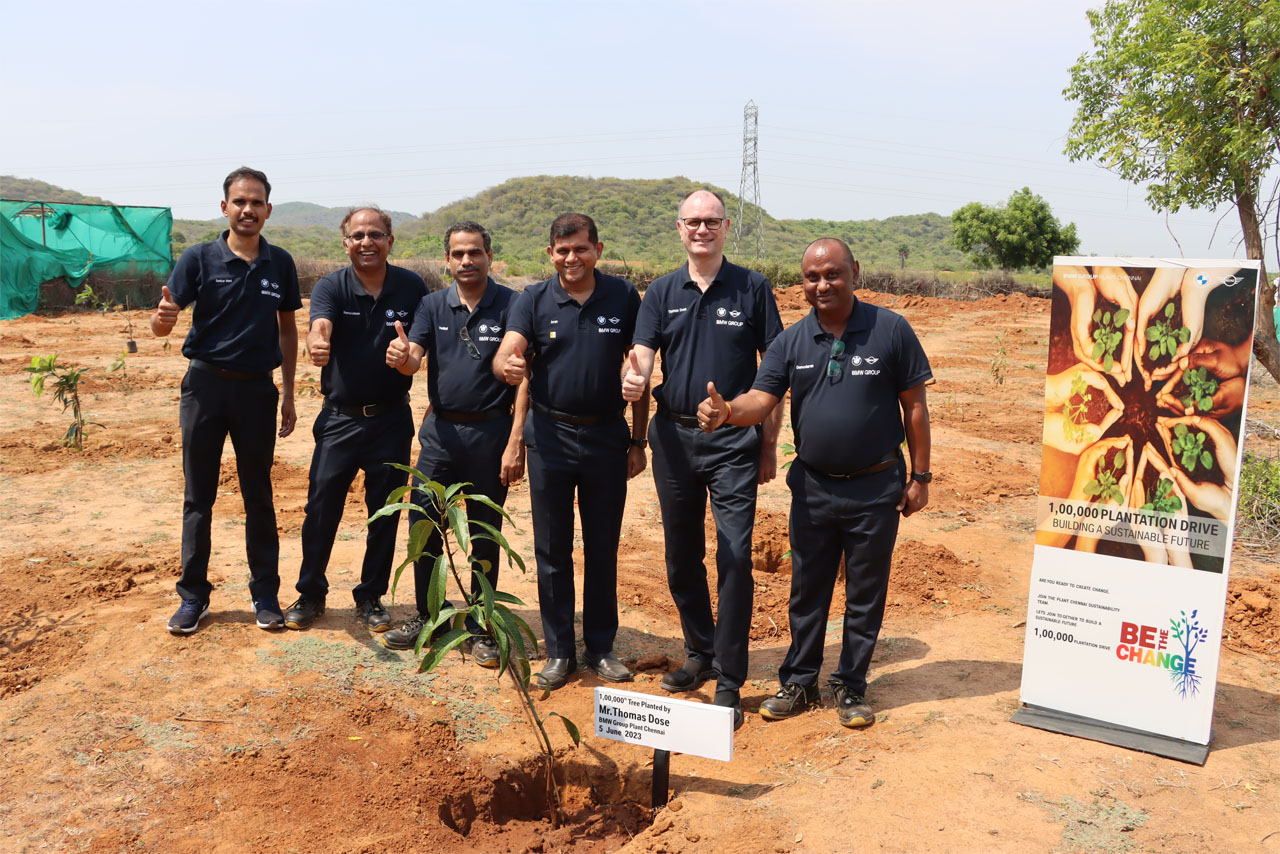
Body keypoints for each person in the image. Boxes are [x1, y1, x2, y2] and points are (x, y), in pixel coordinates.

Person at [697, 238, 932, 728]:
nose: (822, 284)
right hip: (814, 488)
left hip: (876, 488)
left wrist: (920, 477)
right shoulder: (792, 341)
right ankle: (800, 682)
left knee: (865, 592)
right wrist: (726, 413)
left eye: (832, 274)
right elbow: (761, 401)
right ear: (802, 282)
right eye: (812, 277)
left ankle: (850, 684)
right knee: (807, 591)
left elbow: (914, 407)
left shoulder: (891, 329)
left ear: (854, 273)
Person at [621, 189, 783, 727]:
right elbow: (644, 353)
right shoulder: (662, 291)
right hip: (674, 439)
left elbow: (772, 375)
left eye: (711, 221)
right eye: (693, 222)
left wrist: (766, 444)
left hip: (734, 441)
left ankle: (731, 679)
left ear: (726, 226)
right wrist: (636, 374)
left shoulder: (753, 288)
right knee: (680, 554)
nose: (702, 230)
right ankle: (699, 651)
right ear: (679, 228)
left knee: (734, 556)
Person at [493, 213, 648, 690]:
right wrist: (507, 365)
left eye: (580, 248)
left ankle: (600, 647)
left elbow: (639, 372)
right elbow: (510, 351)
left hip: (606, 438)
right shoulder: (533, 299)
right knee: (552, 550)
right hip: (550, 439)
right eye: (562, 250)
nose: (571, 258)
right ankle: (559, 652)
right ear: (550, 255)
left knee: (602, 547)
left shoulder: (623, 297)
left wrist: (638, 441)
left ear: (597, 249)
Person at [151, 166, 300, 635]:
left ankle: (266, 597)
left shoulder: (281, 264)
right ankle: (193, 596)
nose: (248, 210)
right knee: (199, 496)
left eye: (256, 202)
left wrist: (290, 393)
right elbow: (162, 324)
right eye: (239, 202)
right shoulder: (198, 259)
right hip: (205, 388)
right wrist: (164, 318)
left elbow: (288, 329)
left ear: (268, 210)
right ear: (224, 207)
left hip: (258, 390)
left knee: (259, 495)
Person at [381, 221, 527, 666]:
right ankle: (432, 616)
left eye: (475, 253)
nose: (467, 261)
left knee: (484, 532)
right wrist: (402, 357)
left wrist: (515, 440)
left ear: (489, 256)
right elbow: (414, 359)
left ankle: (483, 625)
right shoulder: (430, 305)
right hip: (441, 436)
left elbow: (524, 378)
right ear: (447, 259)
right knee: (423, 525)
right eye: (458, 254)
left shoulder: (515, 305)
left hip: (492, 435)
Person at [284, 206, 428, 632]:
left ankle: (371, 596)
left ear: (390, 241)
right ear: (345, 242)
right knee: (321, 507)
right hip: (339, 420)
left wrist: (406, 358)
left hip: (391, 420)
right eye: (358, 235)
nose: (367, 242)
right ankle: (310, 593)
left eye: (376, 234)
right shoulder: (331, 285)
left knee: (384, 511)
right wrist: (316, 340)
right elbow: (319, 325)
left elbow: (417, 350)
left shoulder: (412, 287)